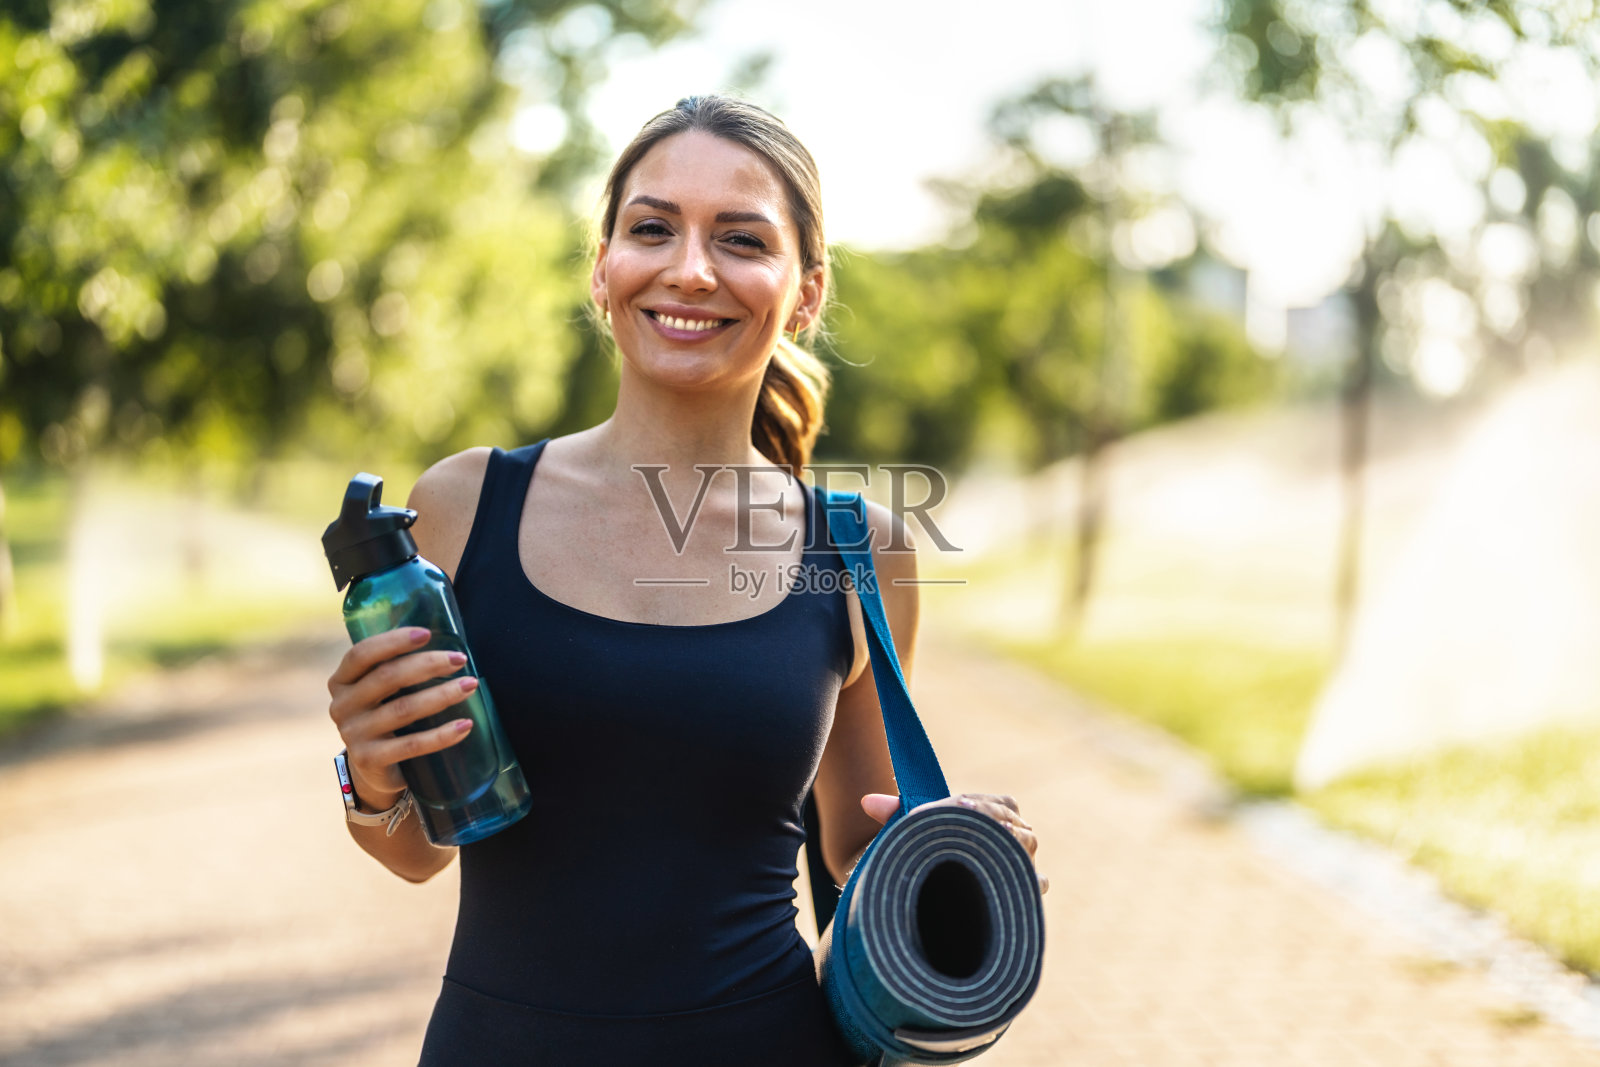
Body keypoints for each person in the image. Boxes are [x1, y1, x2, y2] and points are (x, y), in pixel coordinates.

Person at [324, 94, 1044, 1066]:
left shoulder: (857, 547)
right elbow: (418, 851)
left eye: (741, 239)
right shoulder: (463, 506)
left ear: (806, 291)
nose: (691, 269)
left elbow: (857, 841)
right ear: (602, 267)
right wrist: (372, 778)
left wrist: (956, 848)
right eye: (652, 227)